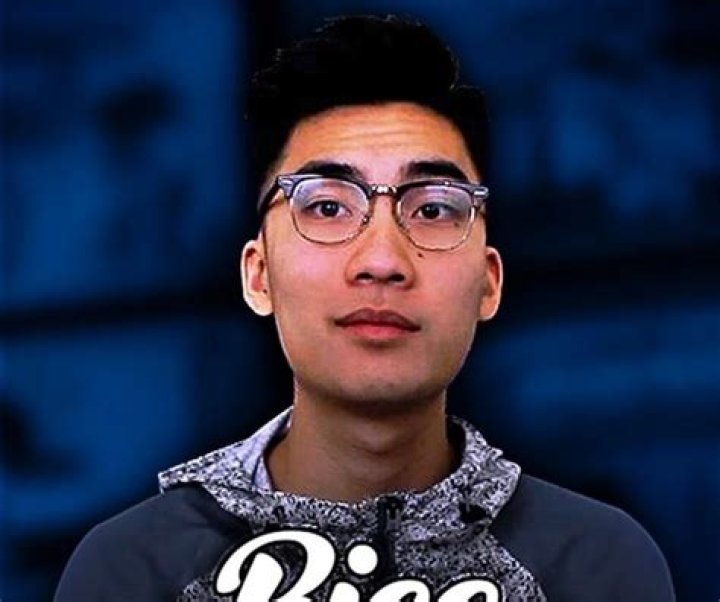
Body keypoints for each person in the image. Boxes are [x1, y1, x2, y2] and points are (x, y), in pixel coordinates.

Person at [55, 15, 675, 601]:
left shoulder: (593, 564)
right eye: (328, 207)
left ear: (489, 283)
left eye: (432, 208)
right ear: (258, 274)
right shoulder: (137, 570)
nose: (381, 259)